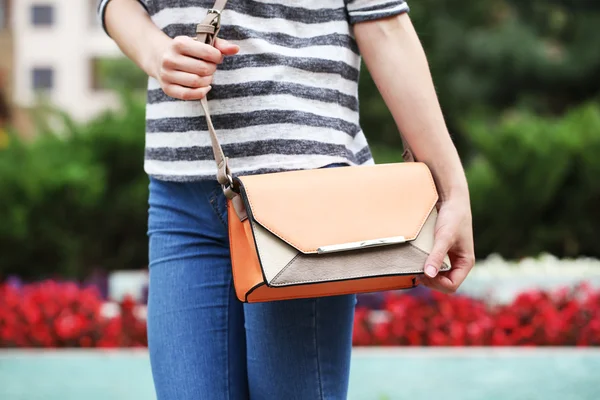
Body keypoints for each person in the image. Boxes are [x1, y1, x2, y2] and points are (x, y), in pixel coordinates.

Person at [99, 0, 475, 398]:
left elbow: (383, 26)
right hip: (181, 191)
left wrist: (452, 192)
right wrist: (156, 53)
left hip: (303, 196)